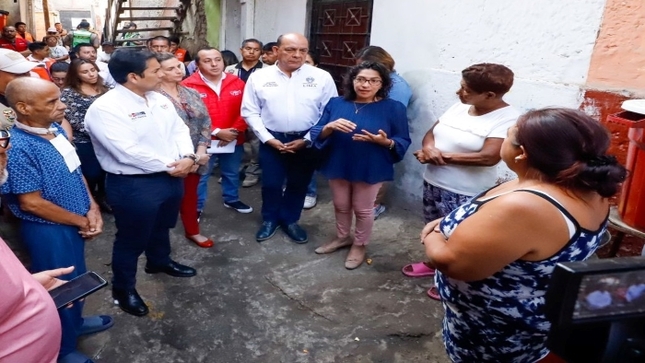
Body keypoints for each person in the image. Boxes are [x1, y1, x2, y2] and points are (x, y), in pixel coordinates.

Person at [423, 107, 627, 362]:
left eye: (507, 136)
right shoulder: (586, 186)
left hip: (496, 332)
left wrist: (434, 232)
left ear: (521, 153)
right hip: (531, 314)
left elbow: (451, 263)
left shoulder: (527, 206)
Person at [1, 77, 112, 363]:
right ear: (24, 107)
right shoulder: (18, 147)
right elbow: (32, 203)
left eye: (59, 98)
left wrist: (92, 207)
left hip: (74, 219)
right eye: (52, 102)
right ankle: (61, 349)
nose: (62, 106)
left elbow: (76, 171)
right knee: (58, 286)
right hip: (48, 229)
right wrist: (80, 221)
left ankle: (74, 325)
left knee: (76, 278)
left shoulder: (54, 130)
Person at [85, 49, 197, 317]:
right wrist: (174, 166)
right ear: (133, 77)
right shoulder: (105, 109)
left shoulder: (157, 99)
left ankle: (158, 262)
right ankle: (123, 289)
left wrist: (188, 157)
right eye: (156, 71)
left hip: (171, 176)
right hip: (134, 185)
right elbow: (127, 152)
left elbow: (179, 129)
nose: (163, 74)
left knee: (161, 227)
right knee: (131, 240)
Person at [407, 63, 520, 291]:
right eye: (461, 86)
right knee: (434, 228)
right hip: (434, 182)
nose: (459, 92)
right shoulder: (460, 106)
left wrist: (439, 157)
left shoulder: (508, 118)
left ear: (490, 95)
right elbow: (432, 133)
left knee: (458, 238)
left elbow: (489, 157)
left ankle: (452, 281)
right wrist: (429, 148)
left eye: (466, 89)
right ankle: (435, 263)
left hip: (466, 191)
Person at [310, 62, 410, 269]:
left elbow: (402, 139)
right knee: (340, 204)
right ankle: (342, 237)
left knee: (364, 210)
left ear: (382, 84)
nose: (366, 85)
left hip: (371, 164)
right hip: (338, 160)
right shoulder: (336, 103)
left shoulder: (393, 108)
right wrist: (329, 126)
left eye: (373, 81)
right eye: (361, 79)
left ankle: (360, 244)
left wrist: (386, 142)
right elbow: (317, 130)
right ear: (352, 81)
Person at [241, 33, 337, 243]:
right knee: (271, 184)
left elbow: (329, 112)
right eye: (290, 49)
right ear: (276, 50)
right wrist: (267, 139)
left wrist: (308, 139)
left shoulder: (321, 77)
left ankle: (290, 220)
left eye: (303, 50)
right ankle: (269, 220)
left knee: (298, 183)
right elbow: (250, 111)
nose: (297, 55)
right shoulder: (259, 77)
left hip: (307, 141)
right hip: (272, 139)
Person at [183, 47, 252, 215]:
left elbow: (247, 109)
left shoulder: (236, 82)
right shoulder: (187, 86)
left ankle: (232, 199)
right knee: (201, 176)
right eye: (207, 61)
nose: (214, 64)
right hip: (203, 141)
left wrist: (234, 131)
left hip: (233, 138)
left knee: (231, 172)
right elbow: (187, 117)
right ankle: (196, 208)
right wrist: (217, 132)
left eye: (218, 59)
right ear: (197, 64)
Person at [156, 52, 212, 247]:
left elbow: (206, 120)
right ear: (158, 73)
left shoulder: (191, 92)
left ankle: (192, 231)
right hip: (169, 158)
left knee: (190, 195)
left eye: (178, 66)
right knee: (165, 199)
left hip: (197, 154)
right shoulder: (152, 98)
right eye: (170, 68)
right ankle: (158, 239)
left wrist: (201, 151)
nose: (178, 70)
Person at [355, 46, 412, 219]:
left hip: (382, 136)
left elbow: (391, 114)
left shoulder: (397, 86)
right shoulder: (384, 81)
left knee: (378, 171)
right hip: (370, 134)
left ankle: (375, 205)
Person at [60, 58, 111, 213]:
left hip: (108, 138)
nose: (91, 74)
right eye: (85, 72)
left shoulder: (105, 88)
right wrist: (101, 133)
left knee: (106, 170)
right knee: (91, 172)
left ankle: (103, 197)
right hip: (84, 140)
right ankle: (86, 199)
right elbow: (74, 120)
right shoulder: (69, 93)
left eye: (92, 70)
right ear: (76, 75)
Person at [302, 50, 322, 209]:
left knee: (307, 164)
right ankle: (288, 186)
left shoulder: (321, 80)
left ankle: (309, 192)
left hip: (312, 129)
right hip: (288, 130)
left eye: (307, 62)